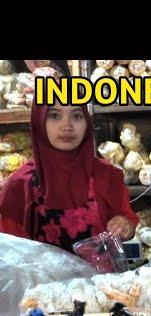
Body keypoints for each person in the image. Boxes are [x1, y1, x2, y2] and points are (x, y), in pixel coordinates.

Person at [0, 102, 138, 252]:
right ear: (39, 120)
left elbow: (127, 221)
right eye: (55, 115)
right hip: (42, 275)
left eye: (77, 116)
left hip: (100, 275)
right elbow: (11, 249)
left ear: (87, 121)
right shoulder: (21, 184)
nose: (67, 125)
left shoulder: (107, 175)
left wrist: (125, 227)